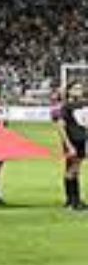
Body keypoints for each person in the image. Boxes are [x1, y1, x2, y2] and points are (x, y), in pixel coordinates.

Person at [57, 83, 86, 211]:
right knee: (71, 169)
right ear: (69, 91)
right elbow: (60, 126)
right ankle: (71, 200)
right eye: (75, 88)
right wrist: (68, 144)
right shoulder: (66, 107)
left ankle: (75, 199)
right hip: (72, 141)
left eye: (80, 88)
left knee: (76, 169)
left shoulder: (85, 104)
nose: (78, 91)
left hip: (82, 140)